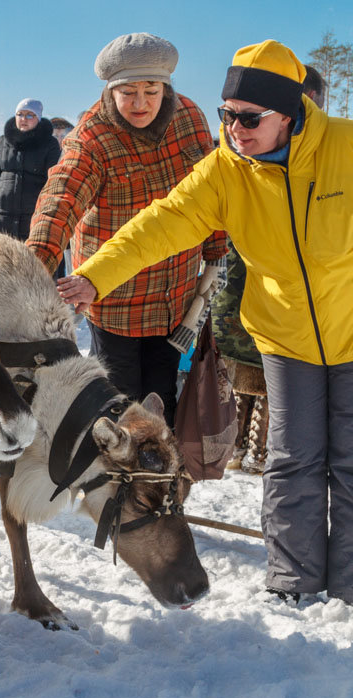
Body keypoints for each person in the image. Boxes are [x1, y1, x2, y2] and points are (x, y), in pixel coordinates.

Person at [56, 39, 353, 608]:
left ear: (288, 114)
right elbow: (161, 223)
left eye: (249, 117)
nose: (235, 127)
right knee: (292, 460)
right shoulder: (225, 171)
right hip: (287, 339)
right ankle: (294, 580)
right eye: (227, 115)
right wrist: (95, 277)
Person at [28, 32, 226, 424]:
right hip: (116, 300)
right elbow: (60, 200)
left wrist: (216, 255)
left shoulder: (189, 117)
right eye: (128, 92)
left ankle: (159, 481)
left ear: (165, 86)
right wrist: (34, 265)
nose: (140, 103)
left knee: (161, 399)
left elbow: (211, 189)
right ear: (110, 89)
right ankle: (111, 482)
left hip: (176, 295)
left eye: (151, 90)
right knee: (117, 405)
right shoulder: (91, 136)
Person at [0, 98, 61, 239]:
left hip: (34, 218)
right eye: (20, 114)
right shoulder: (3, 141)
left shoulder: (49, 144)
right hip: (2, 217)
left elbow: (54, 183)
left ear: (38, 118)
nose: (23, 119)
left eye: (29, 115)